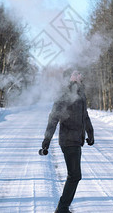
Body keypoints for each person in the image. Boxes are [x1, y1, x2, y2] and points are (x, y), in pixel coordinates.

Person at [41, 70, 95, 213]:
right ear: (70, 78)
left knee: (75, 175)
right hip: (68, 139)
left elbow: (85, 115)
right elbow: (53, 118)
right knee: (75, 175)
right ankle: (62, 208)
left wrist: (90, 132)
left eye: (79, 73)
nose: (80, 75)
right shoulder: (64, 94)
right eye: (76, 73)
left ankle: (63, 208)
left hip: (77, 140)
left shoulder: (81, 93)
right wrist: (47, 139)